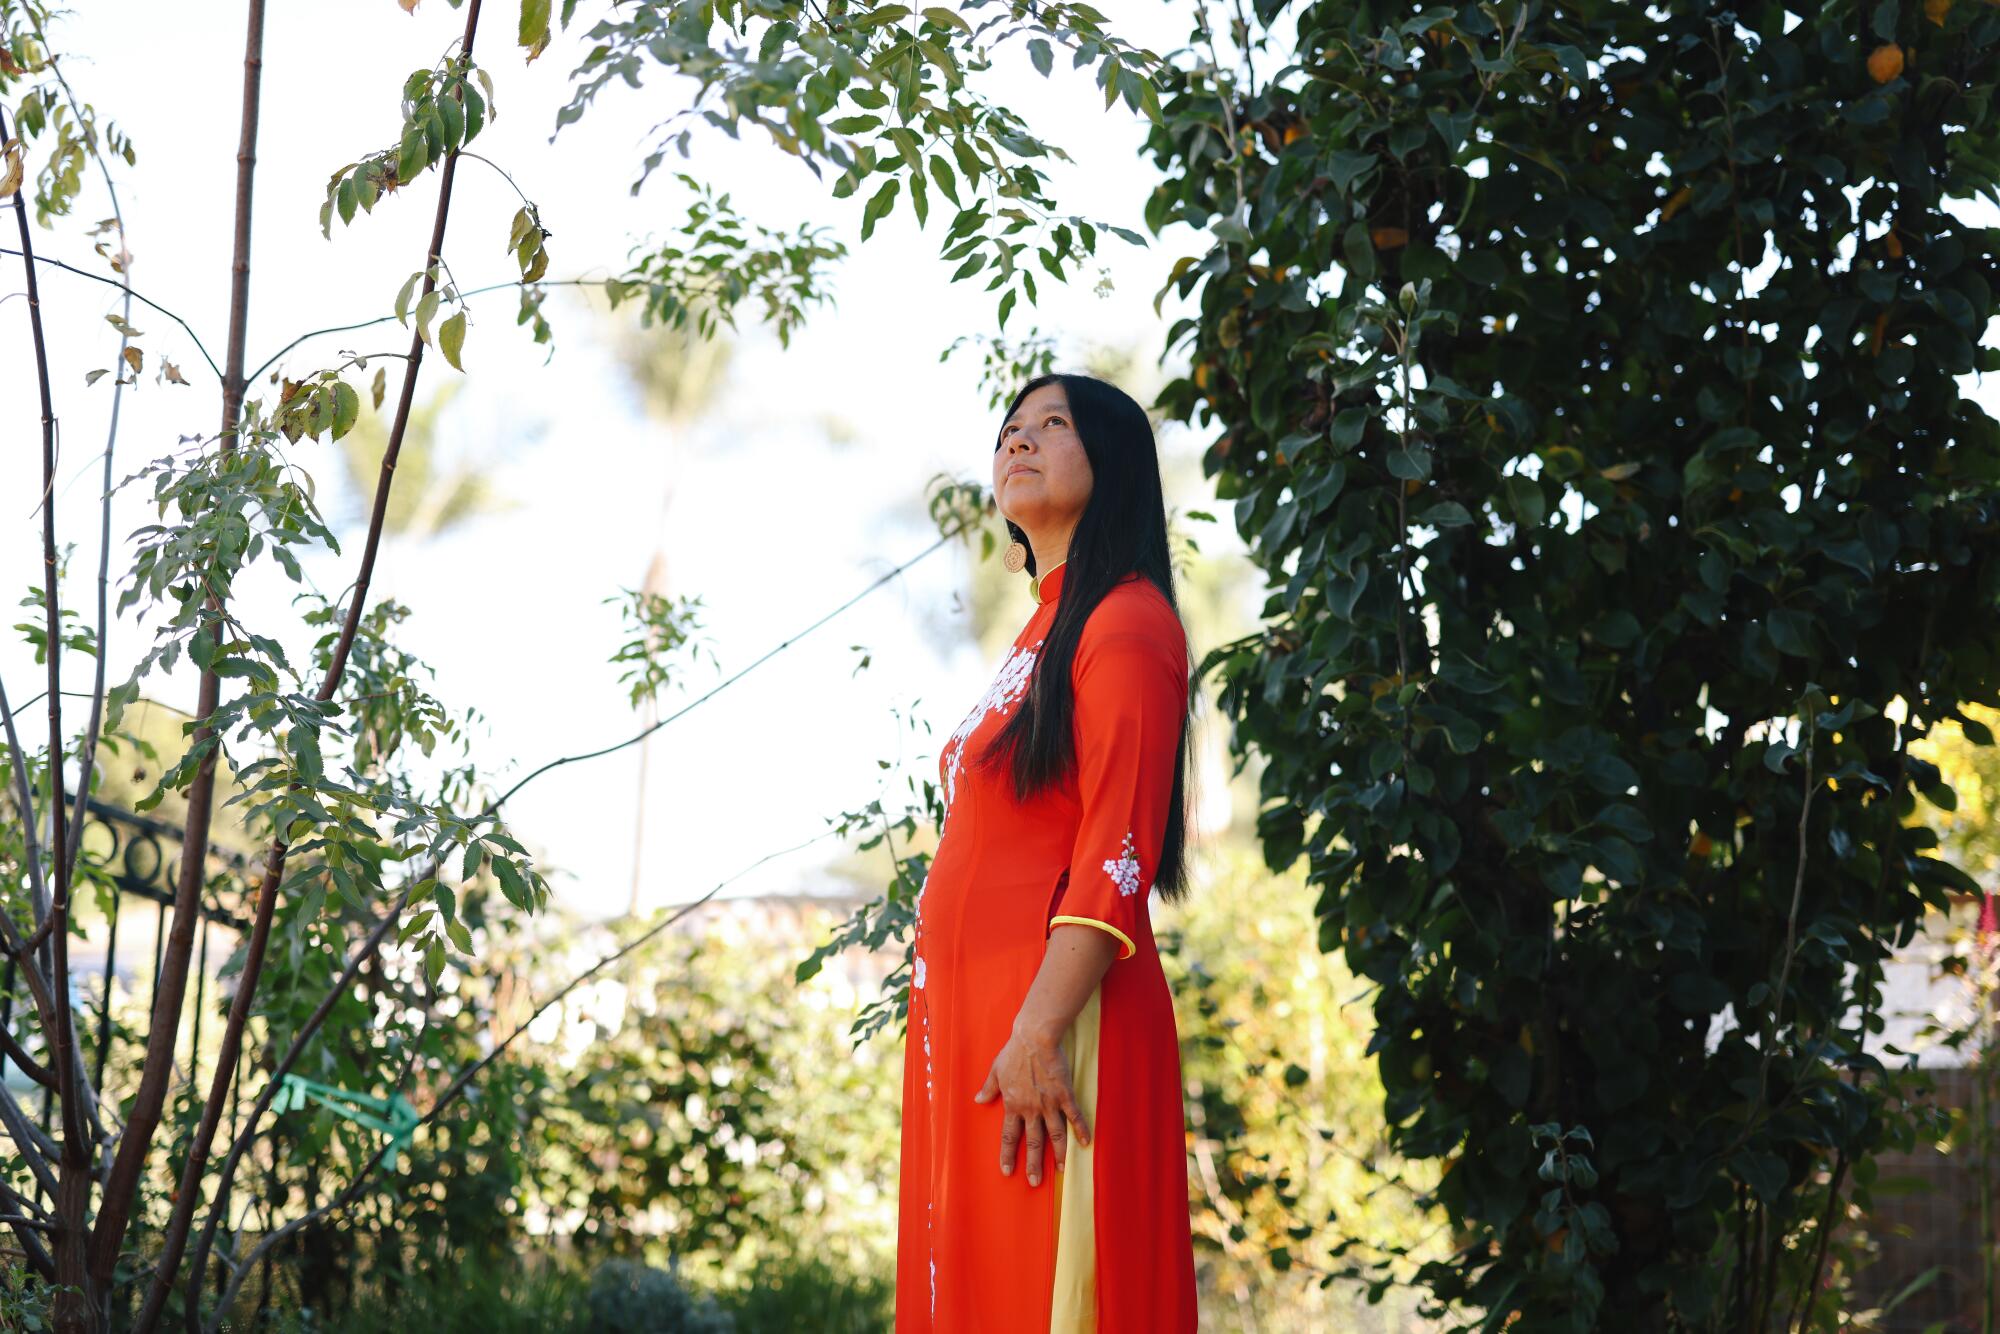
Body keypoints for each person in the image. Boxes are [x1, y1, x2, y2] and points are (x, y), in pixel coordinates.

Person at [896, 372, 1200, 1331]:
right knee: (981, 1290)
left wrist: (1037, 1031)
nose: (1017, 442)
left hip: (1060, 1028)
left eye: (1051, 425)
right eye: (1008, 430)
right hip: (987, 1024)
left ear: (1111, 463)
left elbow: (1119, 849)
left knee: (1054, 1298)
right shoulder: (1045, 628)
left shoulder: (1127, 621)